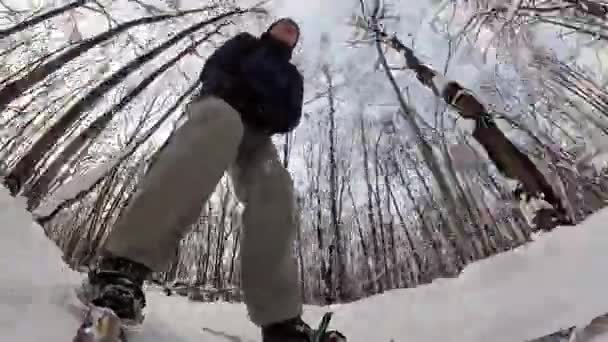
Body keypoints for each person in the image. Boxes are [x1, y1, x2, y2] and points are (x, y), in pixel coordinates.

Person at [77, 18, 344, 342]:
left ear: (294, 43)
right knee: (221, 124)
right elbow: (215, 70)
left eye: (294, 32)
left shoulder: (292, 76)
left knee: (274, 186)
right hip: (220, 108)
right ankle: (122, 268)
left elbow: (289, 116)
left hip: (257, 133)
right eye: (284, 27)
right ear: (271, 30)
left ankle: (281, 322)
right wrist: (244, 94)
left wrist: (259, 103)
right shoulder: (247, 44)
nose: (289, 32)